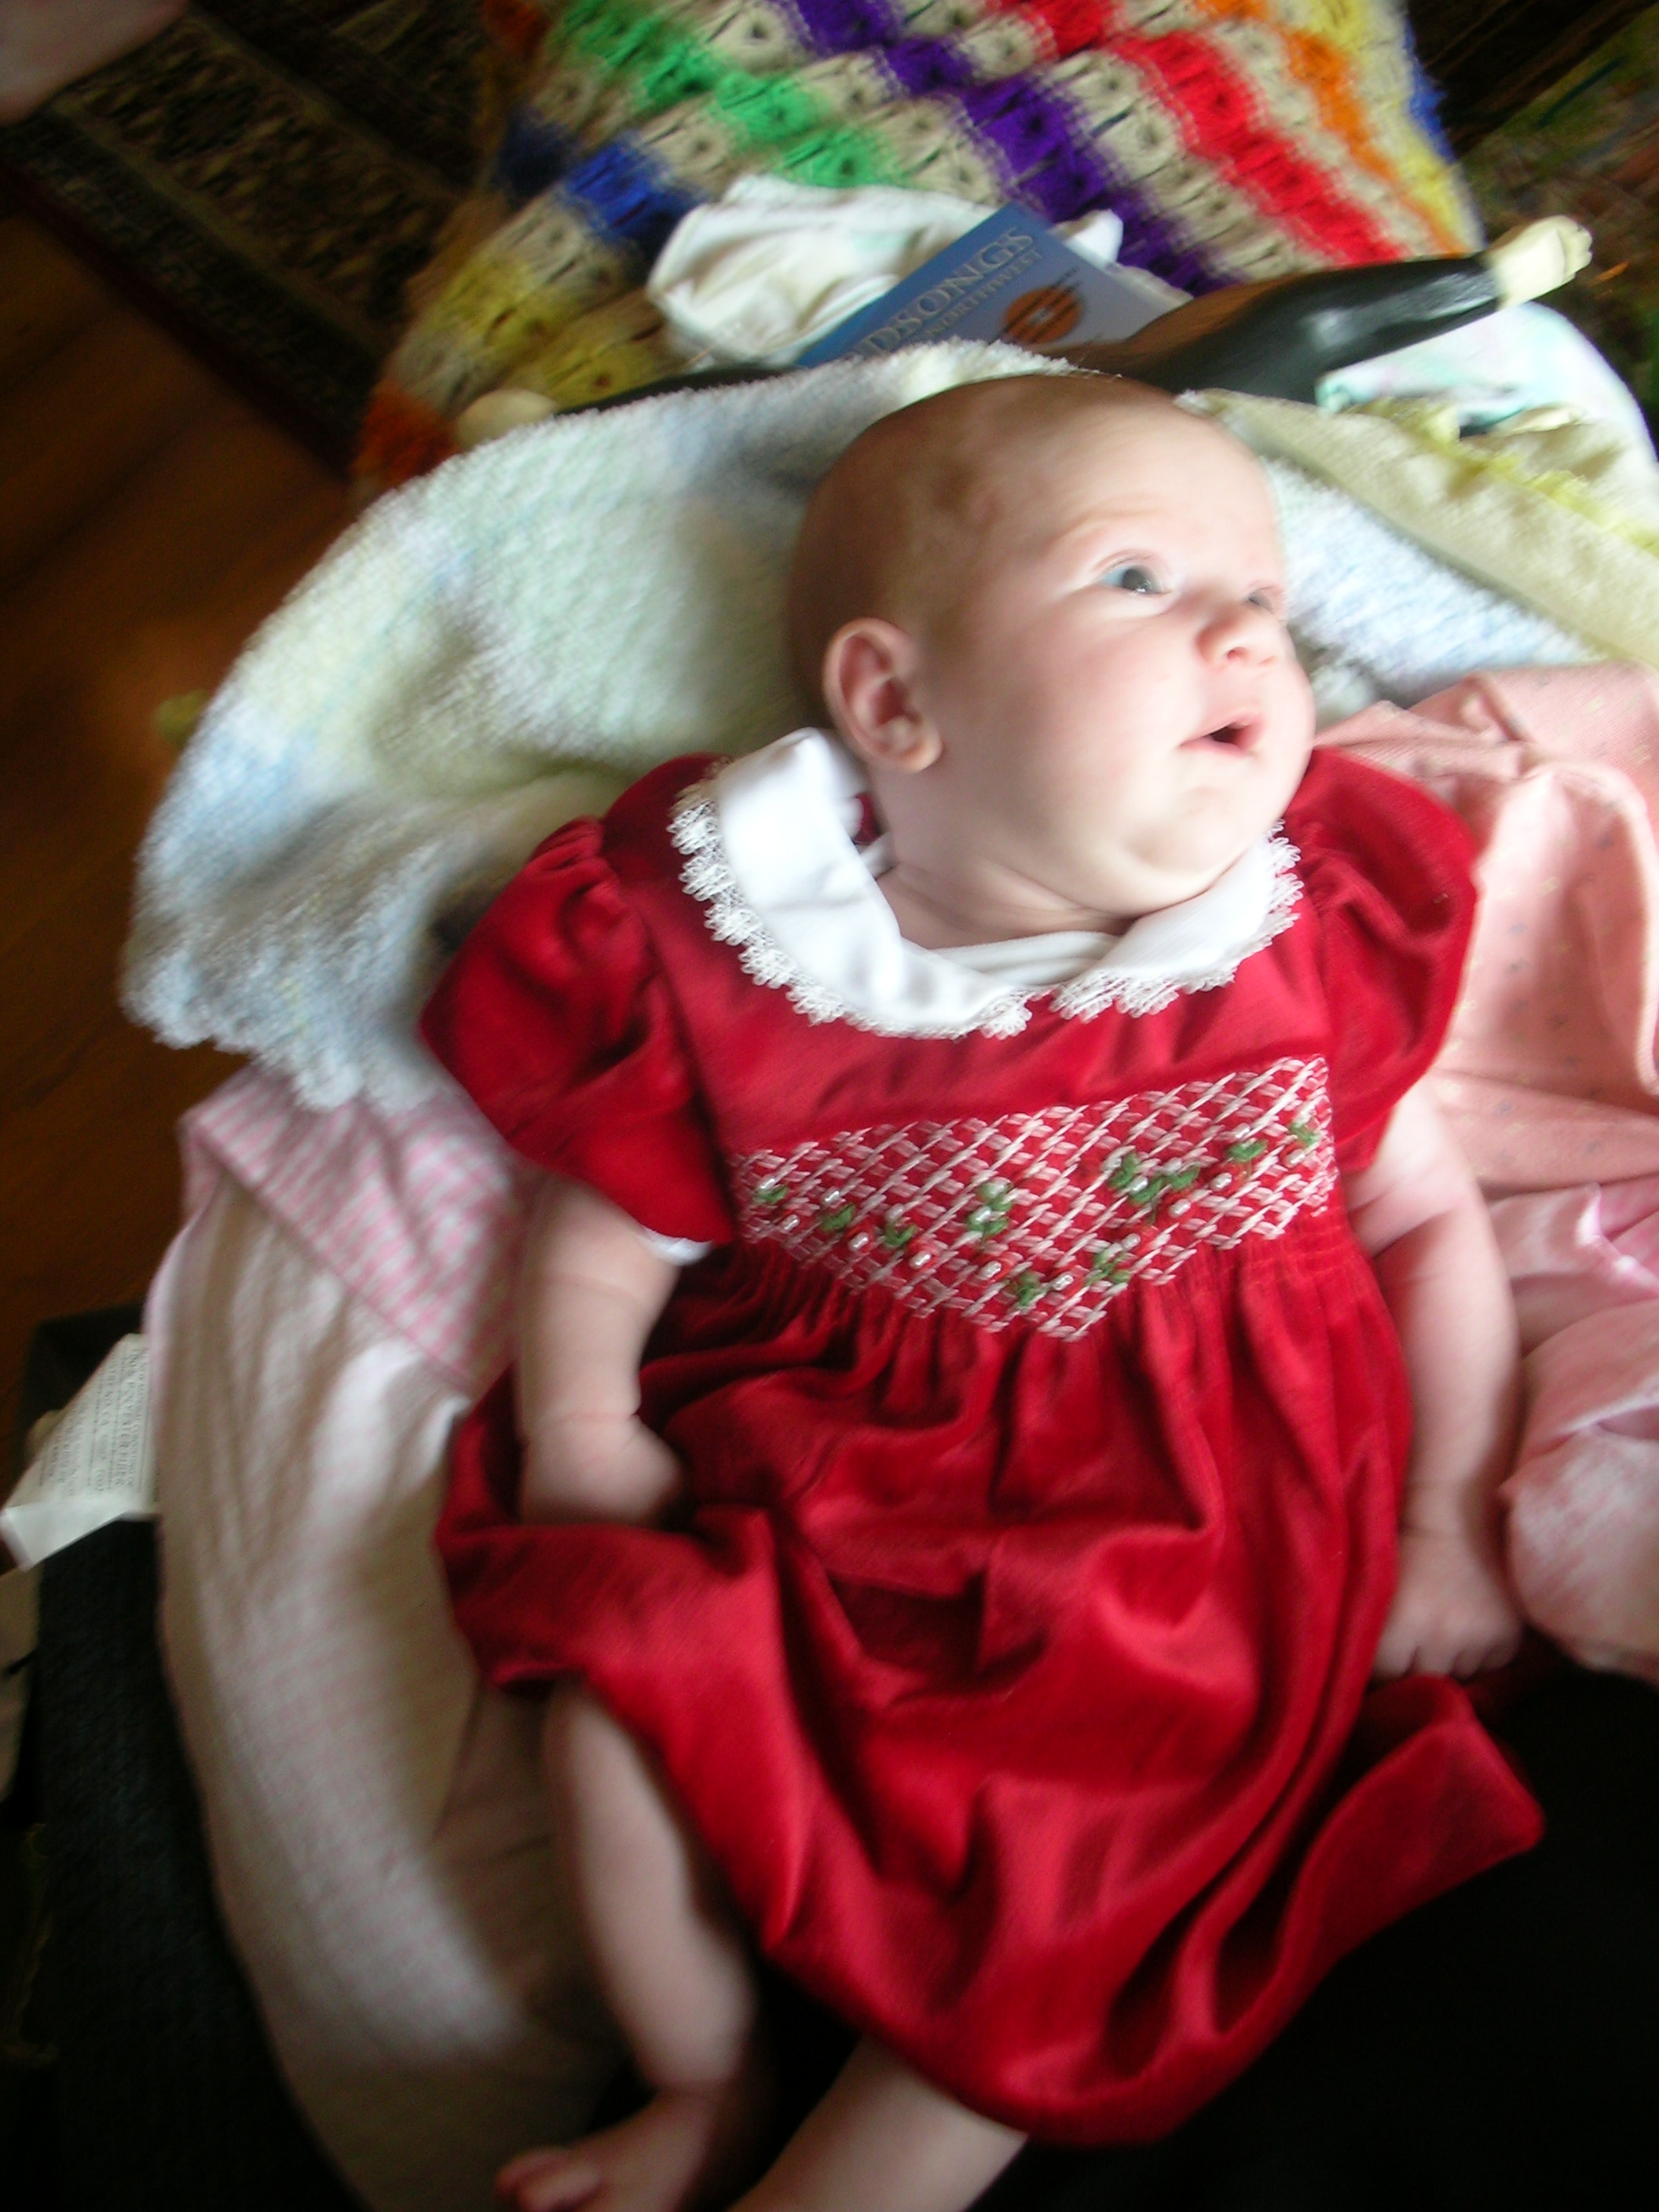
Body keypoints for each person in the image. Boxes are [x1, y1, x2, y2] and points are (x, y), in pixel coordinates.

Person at [420, 374, 1543, 2212]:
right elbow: (613, 1226)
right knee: (623, 1689)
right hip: (830, 1503)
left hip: (1187, 1558)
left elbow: (1426, 1224)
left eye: (1266, 596)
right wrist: (584, 1423)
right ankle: (702, 2077)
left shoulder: (1301, 938)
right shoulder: (746, 946)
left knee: (1081, 1885)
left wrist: (1446, 1517)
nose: (1246, 630)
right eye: (1137, 577)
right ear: (892, 702)